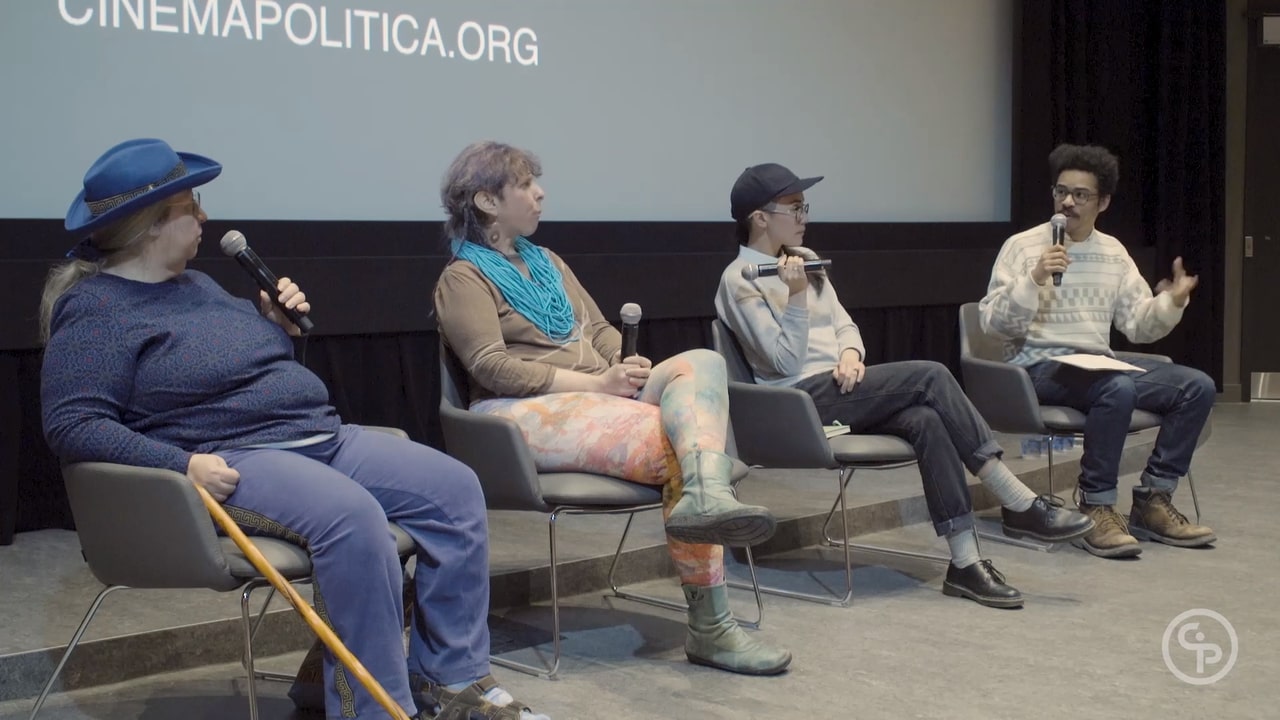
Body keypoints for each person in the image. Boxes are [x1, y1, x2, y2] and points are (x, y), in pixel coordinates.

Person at [40, 138, 549, 720]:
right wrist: (180, 465)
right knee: (354, 521)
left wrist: (275, 326)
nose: (205, 217)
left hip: (319, 438)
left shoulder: (200, 287)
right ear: (150, 225)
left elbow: (252, 377)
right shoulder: (97, 308)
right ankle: (375, 711)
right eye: (191, 206)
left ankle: (450, 678)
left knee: (455, 490)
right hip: (232, 461)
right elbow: (72, 425)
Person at [432, 141, 790, 675]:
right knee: (677, 449)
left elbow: (598, 329)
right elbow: (490, 367)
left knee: (701, 363)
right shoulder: (461, 278)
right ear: (486, 201)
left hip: (592, 394)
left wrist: (621, 367)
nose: (540, 193)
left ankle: (705, 493)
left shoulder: (547, 261)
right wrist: (596, 382)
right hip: (514, 414)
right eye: (526, 185)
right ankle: (712, 625)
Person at [715, 163, 1095, 609]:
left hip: (837, 389)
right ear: (760, 218)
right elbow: (783, 361)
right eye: (795, 208)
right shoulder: (737, 279)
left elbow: (845, 325)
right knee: (931, 374)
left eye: (804, 207)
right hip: (793, 403)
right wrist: (796, 297)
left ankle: (966, 563)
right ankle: (1020, 502)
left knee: (926, 419)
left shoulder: (806, 259)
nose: (804, 217)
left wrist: (852, 355)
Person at [978, 143, 1217, 559]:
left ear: (1102, 202)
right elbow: (993, 324)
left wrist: (1172, 302)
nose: (1067, 202)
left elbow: (1139, 325)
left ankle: (1153, 501)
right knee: (1117, 388)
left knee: (1196, 386)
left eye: (1080, 195)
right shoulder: (1023, 247)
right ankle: (1096, 502)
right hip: (1036, 366)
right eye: (1060, 192)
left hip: (1097, 364)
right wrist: (1034, 277)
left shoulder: (1113, 254)